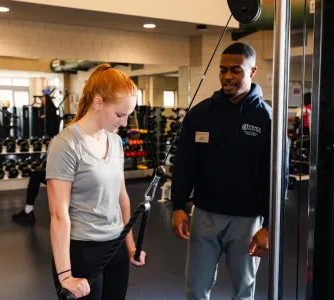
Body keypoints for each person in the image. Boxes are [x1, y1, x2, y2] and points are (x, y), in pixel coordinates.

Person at [171, 42, 273, 300]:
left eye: (236, 70)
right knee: (195, 289)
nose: (228, 76)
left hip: (247, 220)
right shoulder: (200, 114)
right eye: (223, 70)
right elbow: (185, 162)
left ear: (252, 71)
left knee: (243, 292)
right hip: (204, 215)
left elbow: (276, 175)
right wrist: (178, 205)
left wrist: (270, 225)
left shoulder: (266, 117)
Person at [46, 63, 146, 300]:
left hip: (116, 247)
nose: (124, 123)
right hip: (81, 251)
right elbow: (59, 215)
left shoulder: (114, 142)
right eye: (120, 115)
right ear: (98, 103)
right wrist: (65, 276)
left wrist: (130, 246)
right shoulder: (66, 145)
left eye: (128, 115)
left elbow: (122, 197)